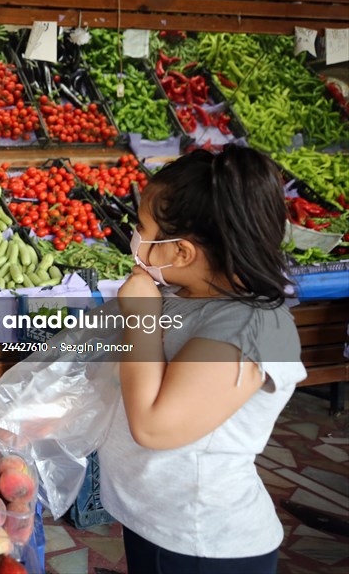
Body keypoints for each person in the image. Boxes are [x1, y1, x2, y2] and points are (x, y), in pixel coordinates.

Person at [101, 145, 305, 573]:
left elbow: (154, 426)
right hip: (157, 524)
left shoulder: (250, 328)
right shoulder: (182, 296)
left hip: (204, 545)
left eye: (142, 226)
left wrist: (140, 316)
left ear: (182, 252)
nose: (134, 237)